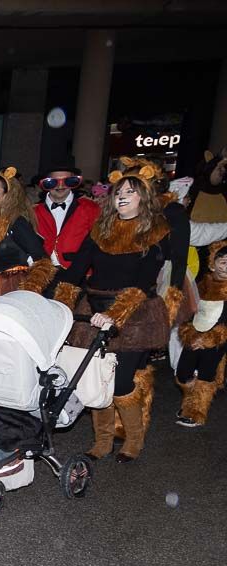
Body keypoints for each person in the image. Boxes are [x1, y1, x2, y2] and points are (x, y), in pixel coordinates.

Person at [55, 164, 183, 463]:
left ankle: (134, 440)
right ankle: (103, 441)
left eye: (131, 192)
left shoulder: (154, 232)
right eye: (119, 192)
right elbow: (74, 272)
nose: (123, 196)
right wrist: (57, 303)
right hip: (94, 309)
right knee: (96, 380)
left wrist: (116, 315)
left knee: (121, 382)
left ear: (144, 198)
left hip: (134, 313)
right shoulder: (101, 230)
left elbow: (143, 281)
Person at [0, 167, 46, 299]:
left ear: (6, 196)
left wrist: (31, 289)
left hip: (12, 288)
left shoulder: (16, 222)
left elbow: (41, 259)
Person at [174, 240, 227, 427]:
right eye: (223, 261)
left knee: (206, 376)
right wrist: (189, 334)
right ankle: (190, 401)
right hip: (195, 334)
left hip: (217, 341)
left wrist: (209, 340)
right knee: (182, 373)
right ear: (213, 264)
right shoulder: (202, 284)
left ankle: (195, 412)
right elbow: (189, 311)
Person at [30, 164, 98, 278]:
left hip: (80, 275)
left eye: (68, 181)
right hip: (42, 275)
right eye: (54, 182)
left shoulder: (90, 208)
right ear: (46, 184)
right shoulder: (33, 211)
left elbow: (98, 243)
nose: (60, 186)